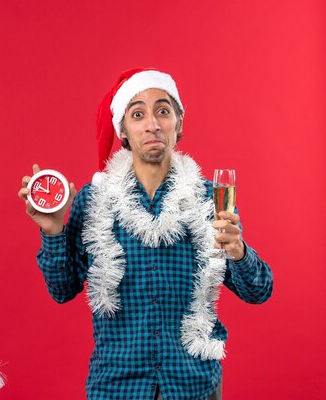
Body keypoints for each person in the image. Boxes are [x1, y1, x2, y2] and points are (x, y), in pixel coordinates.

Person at [18, 68, 273, 400]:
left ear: (178, 123)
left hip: (194, 385)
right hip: (118, 385)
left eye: (163, 111)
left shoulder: (210, 200)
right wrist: (53, 231)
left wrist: (237, 251)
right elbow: (63, 290)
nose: (152, 123)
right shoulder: (93, 201)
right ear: (123, 131)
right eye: (138, 114)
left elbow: (259, 291)